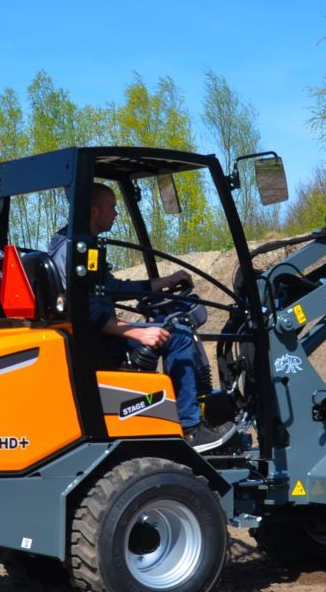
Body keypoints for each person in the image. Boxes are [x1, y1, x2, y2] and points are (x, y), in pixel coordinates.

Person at [80, 182, 233, 452]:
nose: (116, 213)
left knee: (170, 326)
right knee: (180, 334)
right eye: (112, 207)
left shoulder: (82, 247)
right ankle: (190, 428)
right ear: (94, 211)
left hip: (96, 338)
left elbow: (113, 288)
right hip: (97, 342)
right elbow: (88, 313)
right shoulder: (77, 252)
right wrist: (137, 332)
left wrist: (163, 282)